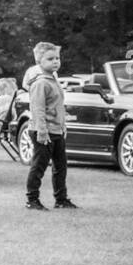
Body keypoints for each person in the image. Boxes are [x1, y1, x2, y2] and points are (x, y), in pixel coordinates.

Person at [26, 42, 77, 211]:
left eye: (57, 58)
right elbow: (37, 109)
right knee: (38, 167)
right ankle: (32, 200)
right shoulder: (40, 83)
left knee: (60, 167)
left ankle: (61, 199)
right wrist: (41, 131)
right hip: (43, 132)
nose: (55, 61)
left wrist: (63, 126)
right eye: (50, 59)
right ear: (39, 61)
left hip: (57, 131)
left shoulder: (53, 80)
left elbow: (57, 106)